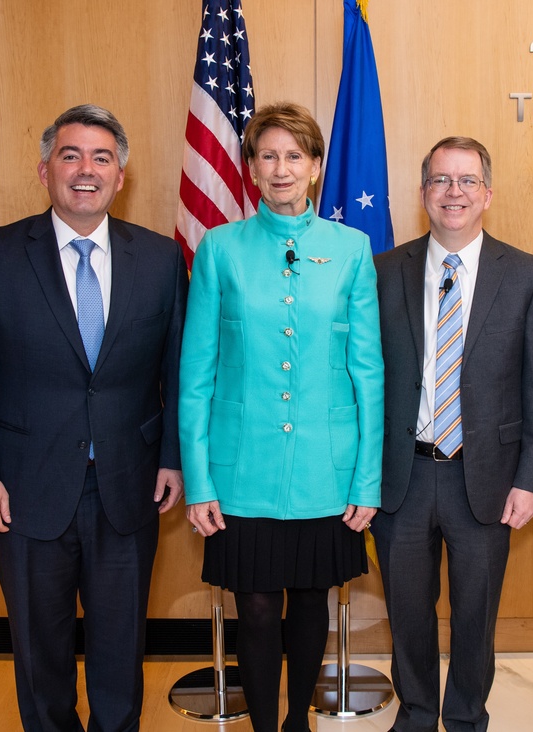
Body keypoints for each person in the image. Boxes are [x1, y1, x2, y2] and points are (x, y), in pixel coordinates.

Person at [0, 104, 188, 731]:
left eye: (102, 158)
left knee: (119, 647)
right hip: (23, 489)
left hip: (128, 486)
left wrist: (171, 458)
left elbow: (180, 368)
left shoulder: (160, 260)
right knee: (39, 652)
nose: (86, 170)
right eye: (71, 156)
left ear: (121, 176)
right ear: (45, 170)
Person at [179, 102, 383, 732]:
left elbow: (368, 372)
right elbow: (197, 373)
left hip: (327, 466)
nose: (281, 168)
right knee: (259, 610)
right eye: (268, 155)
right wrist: (199, 478)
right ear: (251, 168)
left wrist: (366, 479)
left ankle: (300, 720)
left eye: (295, 156)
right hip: (243, 469)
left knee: (309, 605)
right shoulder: (220, 248)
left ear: (317, 167)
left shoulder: (352, 249)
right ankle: (264, 724)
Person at [372, 136, 533, 732]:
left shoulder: (528, 275)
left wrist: (531, 480)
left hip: (484, 478)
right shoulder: (383, 271)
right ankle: (418, 713)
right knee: (408, 612)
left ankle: (467, 716)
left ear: (487, 194)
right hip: (401, 475)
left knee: (476, 614)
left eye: (467, 181)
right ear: (423, 191)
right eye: (441, 180)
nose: (454, 192)